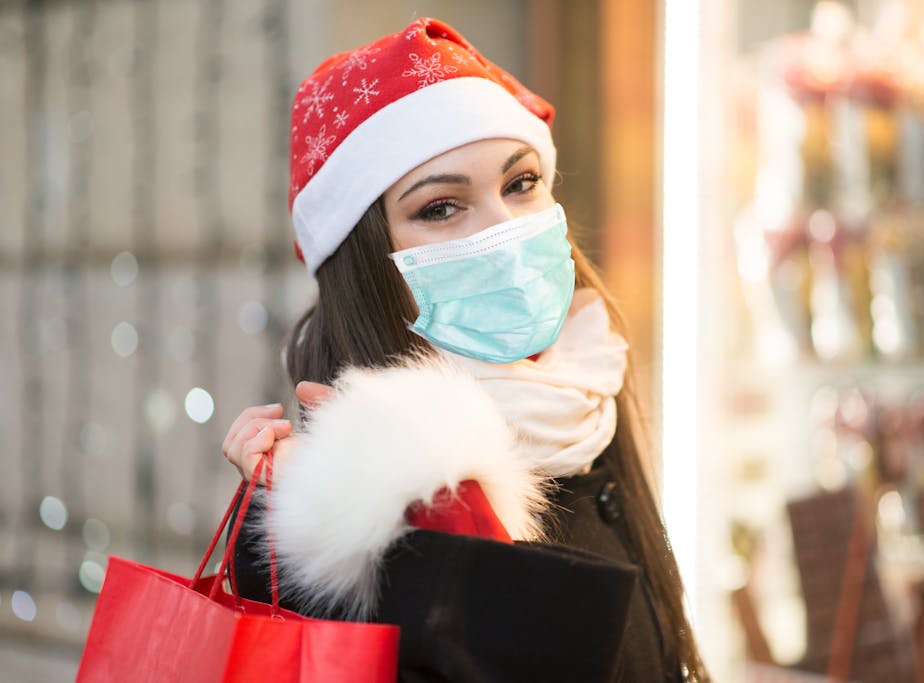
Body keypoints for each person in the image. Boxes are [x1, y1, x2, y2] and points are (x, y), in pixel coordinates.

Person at [221, 16, 708, 682]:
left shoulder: (589, 392)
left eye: (521, 183)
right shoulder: (351, 512)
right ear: (369, 260)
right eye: (442, 207)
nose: (504, 231)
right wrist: (423, 503)